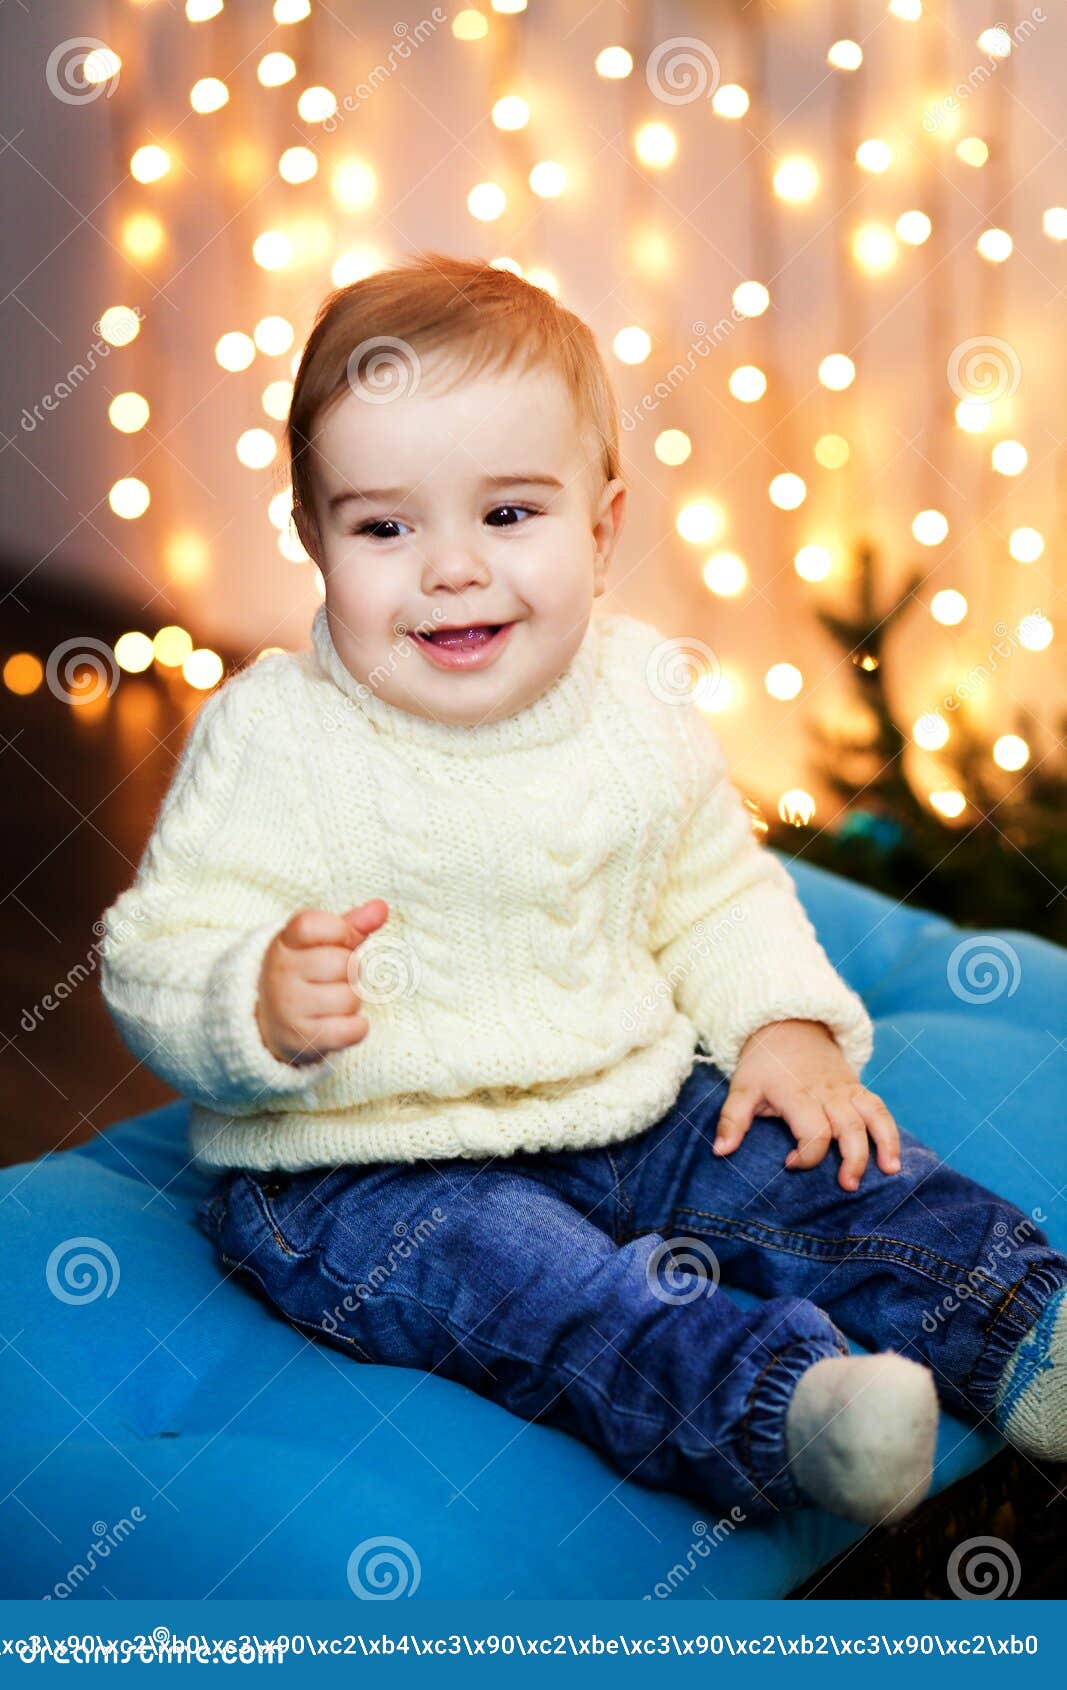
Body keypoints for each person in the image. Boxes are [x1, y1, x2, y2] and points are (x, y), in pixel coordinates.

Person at [99, 253, 1067, 1530]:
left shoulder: (635, 694)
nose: (451, 568)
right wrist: (252, 1001)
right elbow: (152, 952)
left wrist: (779, 1023)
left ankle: (1021, 1326)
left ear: (601, 530)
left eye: (508, 514)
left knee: (824, 1175)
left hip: (627, 1103)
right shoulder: (271, 739)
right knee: (544, 1294)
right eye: (385, 527)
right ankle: (787, 1410)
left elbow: (711, 887)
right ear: (314, 537)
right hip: (360, 1169)